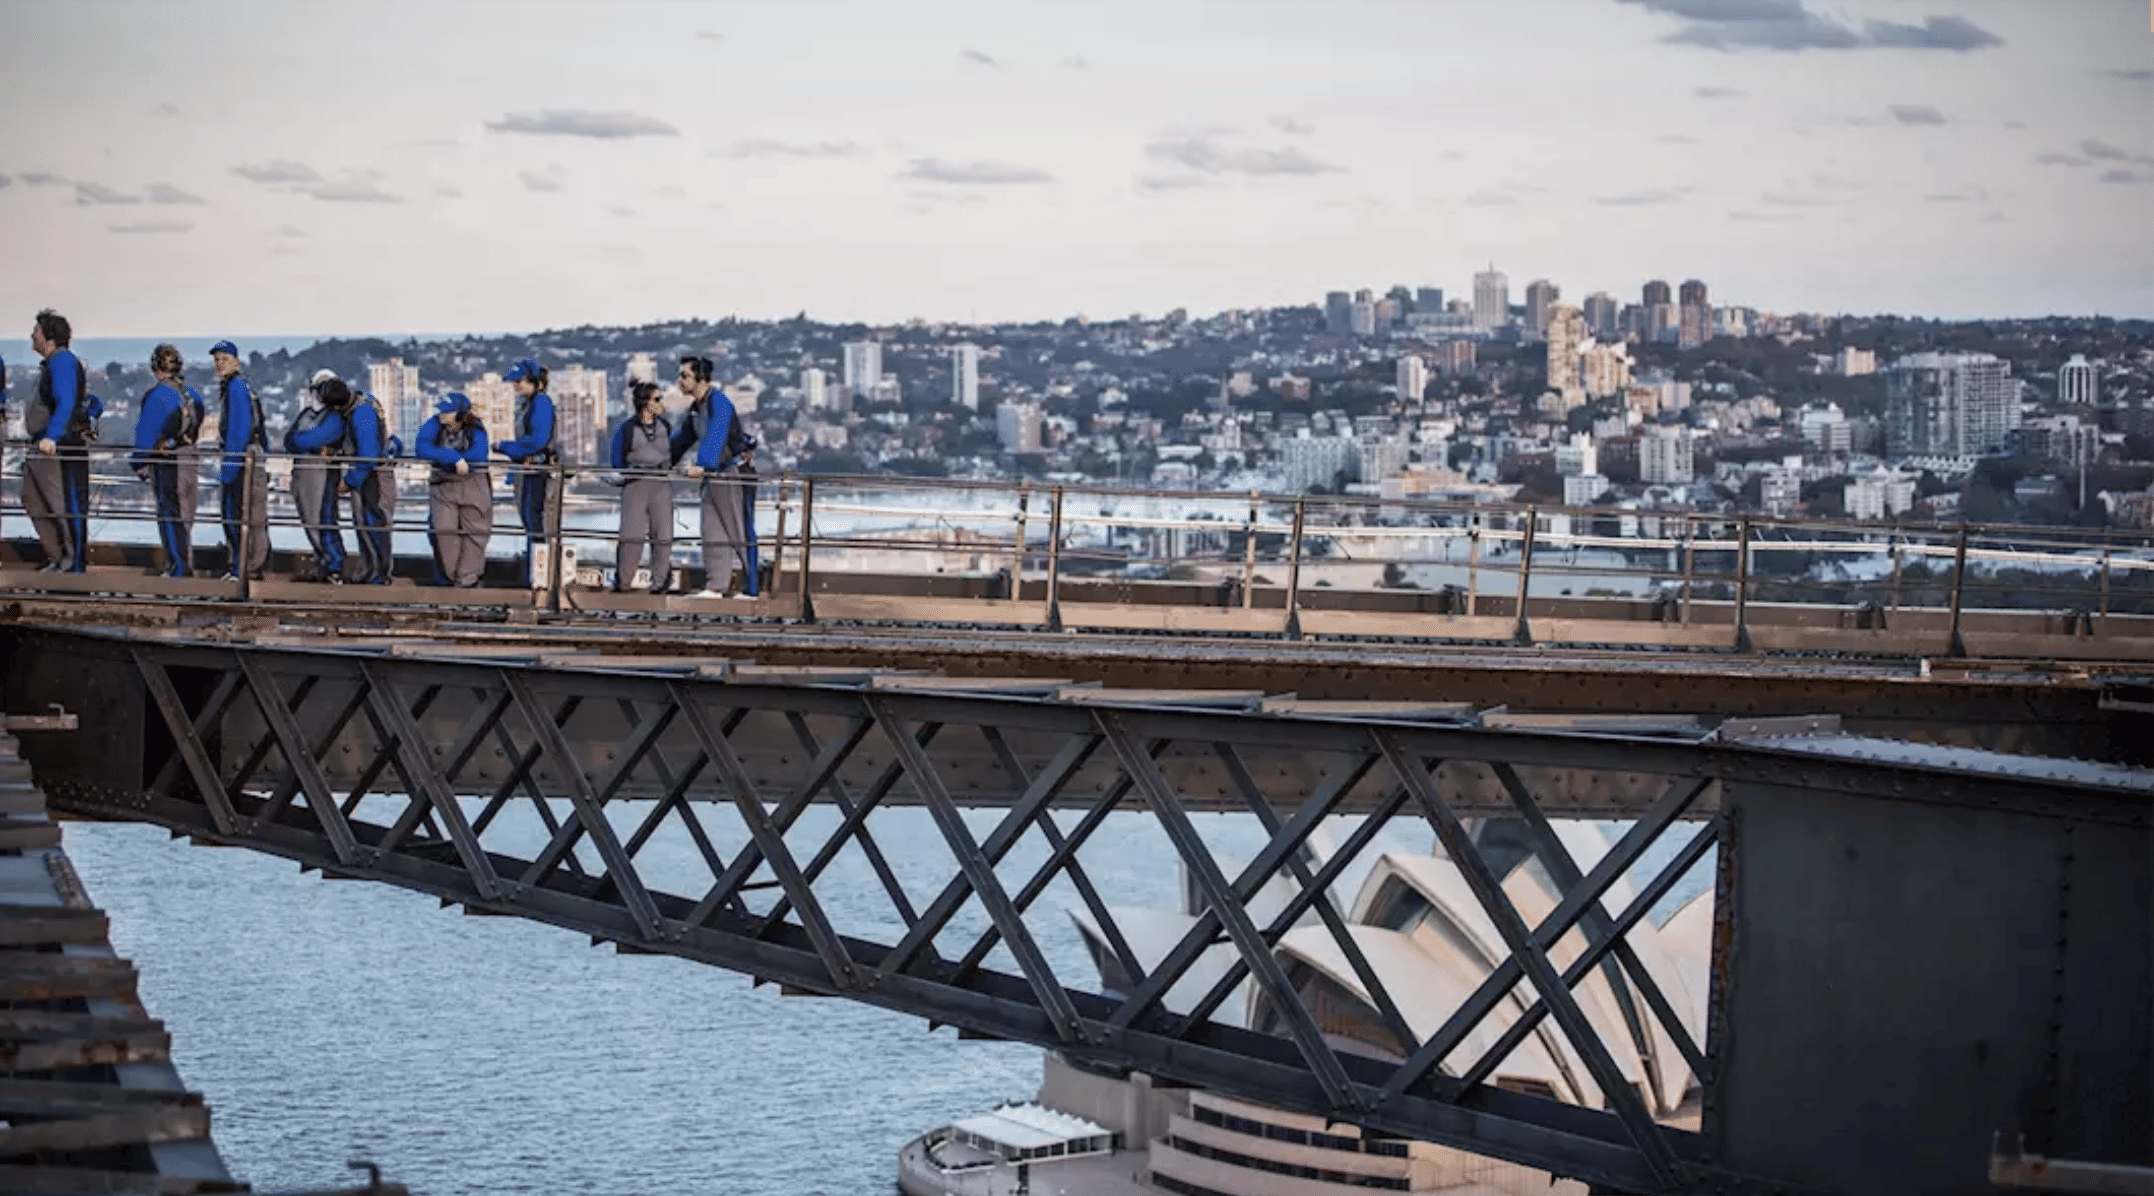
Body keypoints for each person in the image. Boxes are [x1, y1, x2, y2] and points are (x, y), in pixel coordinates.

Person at [669, 355, 755, 598]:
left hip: (734, 473)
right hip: (713, 476)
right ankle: (716, 585)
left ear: (702, 378)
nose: (679, 380)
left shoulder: (720, 403)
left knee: (740, 531)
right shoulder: (696, 409)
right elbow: (681, 440)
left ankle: (752, 589)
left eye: (684, 375)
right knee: (711, 529)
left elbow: (716, 436)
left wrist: (703, 465)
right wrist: (661, 461)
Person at [24, 309, 92, 573]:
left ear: (49, 338)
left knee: (59, 503)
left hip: (55, 449)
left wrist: (52, 436)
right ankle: (57, 557)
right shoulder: (54, 363)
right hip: (40, 447)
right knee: (33, 500)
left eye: (36, 332)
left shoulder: (62, 361)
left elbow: (66, 402)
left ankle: (71, 562)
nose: (32, 336)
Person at [130, 344, 205, 577]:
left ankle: (178, 571)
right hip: (191, 457)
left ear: (155, 367)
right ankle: (183, 566)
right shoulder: (192, 395)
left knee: (171, 517)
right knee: (186, 518)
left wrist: (138, 462)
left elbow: (146, 434)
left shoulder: (157, 396)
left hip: (169, 463)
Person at [416, 392, 492, 588]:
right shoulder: (434, 424)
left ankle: (468, 579)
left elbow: (479, 454)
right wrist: (453, 458)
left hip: (473, 482)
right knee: (444, 531)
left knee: (475, 532)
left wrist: (460, 460)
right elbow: (422, 447)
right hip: (444, 483)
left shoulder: (475, 428)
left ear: (459, 414)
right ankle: (451, 576)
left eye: (447, 412)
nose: (441, 414)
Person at [210, 340, 269, 581]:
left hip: (241, 456)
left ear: (236, 361)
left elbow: (239, 428)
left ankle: (243, 568)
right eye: (216, 360)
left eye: (224, 359)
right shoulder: (241, 386)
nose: (219, 364)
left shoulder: (236, 388)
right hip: (247, 454)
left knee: (238, 514)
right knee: (242, 515)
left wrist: (230, 467)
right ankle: (243, 566)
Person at [495, 358, 557, 587]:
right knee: (532, 526)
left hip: (538, 474)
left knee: (538, 525)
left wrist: (505, 447)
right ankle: (536, 574)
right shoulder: (528, 404)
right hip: (528, 471)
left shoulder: (540, 403)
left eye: (519, 381)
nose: (515, 386)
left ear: (532, 380)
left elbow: (538, 440)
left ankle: (541, 578)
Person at [608, 380, 674, 593]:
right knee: (631, 536)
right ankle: (624, 582)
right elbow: (617, 460)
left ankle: (660, 582)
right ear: (645, 402)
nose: (661, 402)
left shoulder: (665, 426)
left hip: (661, 485)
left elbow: (671, 453)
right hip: (635, 484)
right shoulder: (627, 429)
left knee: (663, 536)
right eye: (657, 398)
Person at [284, 372, 349, 582]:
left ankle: (334, 566)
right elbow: (290, 440)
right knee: (308, 519)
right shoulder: (306, 413)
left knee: (324, 519)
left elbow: (316, 438)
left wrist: (304, 442)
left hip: (323, 473)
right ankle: (323, 563)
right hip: (303, 471)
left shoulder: (335, 417)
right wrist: (308, 444)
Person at [340, 386, 395, 584]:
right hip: (370, 472)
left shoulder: (362, 412)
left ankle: (379, 574)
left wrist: (349, 481)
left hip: (373, 475)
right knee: (364, 524)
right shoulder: (365, 402)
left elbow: (368, 455)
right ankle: (370, 570)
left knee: (375, 524)